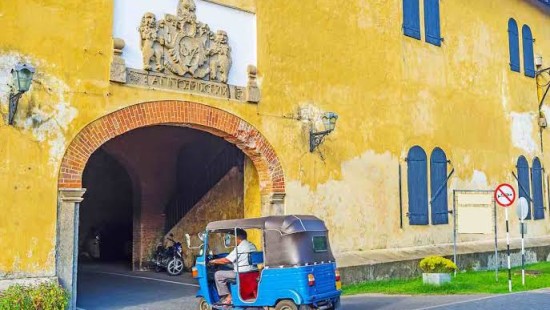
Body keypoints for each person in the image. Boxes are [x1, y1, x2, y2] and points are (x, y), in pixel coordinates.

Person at [208, 228, 257, 305]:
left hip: (241, 273)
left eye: (235, 238)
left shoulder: (240, 248)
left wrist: (213, 261)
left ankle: (228, 296)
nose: (235, 240)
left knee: (218, 274)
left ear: (238, 238)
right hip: (252, 272)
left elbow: (226, 260)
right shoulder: (252, 245)